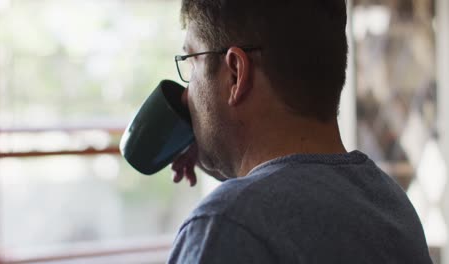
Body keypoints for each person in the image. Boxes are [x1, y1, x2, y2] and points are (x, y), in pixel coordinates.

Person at [168, 0, 433, 263]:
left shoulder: (223, 225)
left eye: (192, 63)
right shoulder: (392, 207)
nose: (186, 95)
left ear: (235, 74)